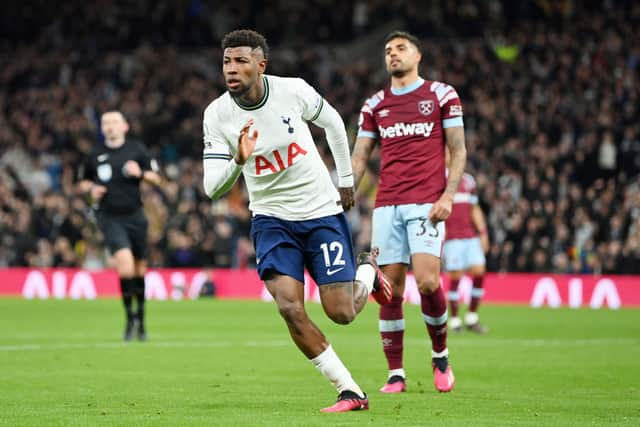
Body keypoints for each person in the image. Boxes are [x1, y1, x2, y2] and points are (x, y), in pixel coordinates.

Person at [201, 29, 392, 413]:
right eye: (226, 62)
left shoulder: (292, 91)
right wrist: (239, 160)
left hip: (320, 211)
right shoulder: (217, 114)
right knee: (289, 307)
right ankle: (349, 390)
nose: (232, 69)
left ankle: (368, 270)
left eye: (240, 61)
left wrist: (345, 179)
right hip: (271, 219)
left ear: (261, 64)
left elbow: (335, 123)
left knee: (341, 313)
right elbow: (211, 189)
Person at [351, 30, 467, 394]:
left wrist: (448, 195)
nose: (393, 54)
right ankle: (396, 373)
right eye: (388, 50)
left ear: (418, 55)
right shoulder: (374, 104)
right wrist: (344, 194)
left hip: (427, 202)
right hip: (387, 204)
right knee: (389, 292)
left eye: (401, 48)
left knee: (429, 281)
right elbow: (360, 156)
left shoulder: (441, 95)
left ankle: (440, 355)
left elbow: (459, 150)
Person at [77, 110, 162, 341]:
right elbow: (83, 182)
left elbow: (157, 178)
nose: (110, 126)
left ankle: (142, 321)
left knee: (139, 271)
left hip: (136, 216)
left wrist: (141, 173)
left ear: (124, 126)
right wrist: (90, 190)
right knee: (124, 268)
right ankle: (130, 318)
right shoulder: (95, 154)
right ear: (102, 128)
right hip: (110, 218)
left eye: (114, 122)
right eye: (106, 123)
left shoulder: (137, 150)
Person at [443, 169, 490, 333]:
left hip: (471, 237)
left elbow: (475, 208)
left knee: (479, 271)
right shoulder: (440, 178)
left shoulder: (468, 180)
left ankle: (472, 317)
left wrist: (483, 233)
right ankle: (455, 320)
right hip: (452, 238)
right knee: (456, 276)